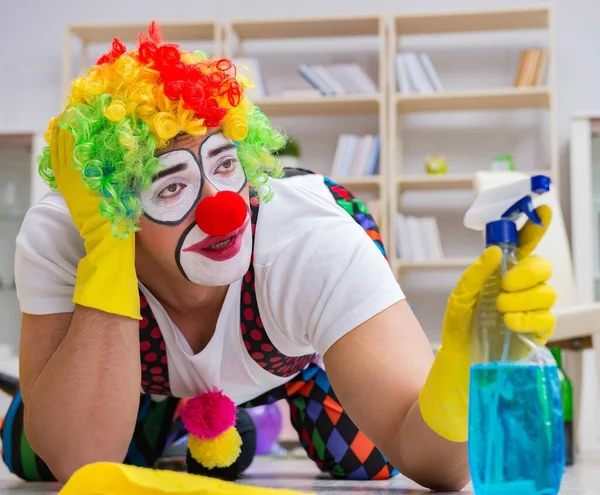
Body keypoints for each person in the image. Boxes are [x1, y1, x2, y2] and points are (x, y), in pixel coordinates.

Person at [1, 21, 556, 490]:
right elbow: (80, 464)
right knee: (30, 454)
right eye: (169, 188)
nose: (224, 211)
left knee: (365, 462)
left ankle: (303, 378)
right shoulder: (68, 233)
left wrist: (463, 365)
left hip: (286, 357)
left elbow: (437, 468)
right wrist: (106, 246)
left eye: (225, 165)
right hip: (147, 375)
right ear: (114, 207)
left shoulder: (311, 241)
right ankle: (183, 416)